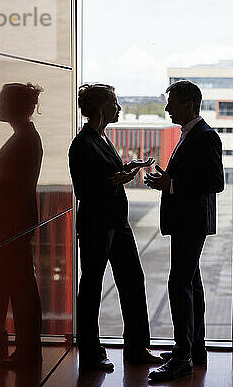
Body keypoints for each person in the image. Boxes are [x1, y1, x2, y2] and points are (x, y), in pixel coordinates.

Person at [68, 83, 162, 371]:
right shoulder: (82, 143)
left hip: (117, 224)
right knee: (93, 287)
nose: (118, 108)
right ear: (99, 108)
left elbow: (105, 173)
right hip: (97, 225)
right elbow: (83, 190)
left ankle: (136, 347)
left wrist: (127, 167)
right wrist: (114, 180)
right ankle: (92, 353)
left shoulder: (102, 138)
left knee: (133, 281)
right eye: (114, 103)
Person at [144, 80, 224, 382]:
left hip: (190, 222)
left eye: (172, 102)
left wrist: (172, 185)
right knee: (191, 285)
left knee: (179, 286)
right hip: (187, 221)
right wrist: (167, 180)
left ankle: (182, 358)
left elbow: (215, 182)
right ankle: (193, 349)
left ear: (189, 104)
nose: (167, 108)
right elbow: (195, 177)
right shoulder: (191, 135)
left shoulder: (204, 137)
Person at [0, 83, 44, 369]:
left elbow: (10, 184)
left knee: (20, 289)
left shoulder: (23, 139)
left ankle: (26, 352)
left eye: (1, 101)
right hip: (15, 223)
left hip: (12, 225)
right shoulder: (24, 136)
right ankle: (25, 350)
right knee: (18, 287)